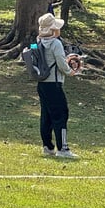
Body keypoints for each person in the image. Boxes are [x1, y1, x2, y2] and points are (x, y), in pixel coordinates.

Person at [35, 12, 81, 159]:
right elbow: (61, 64)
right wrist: (71, 71)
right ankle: (63, 148)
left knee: (46, 115)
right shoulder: (56, 44)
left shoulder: (38, 42)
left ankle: (47, 146)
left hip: (42, 84)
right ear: (53, 29)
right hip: (54, 84)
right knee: (61, 114)